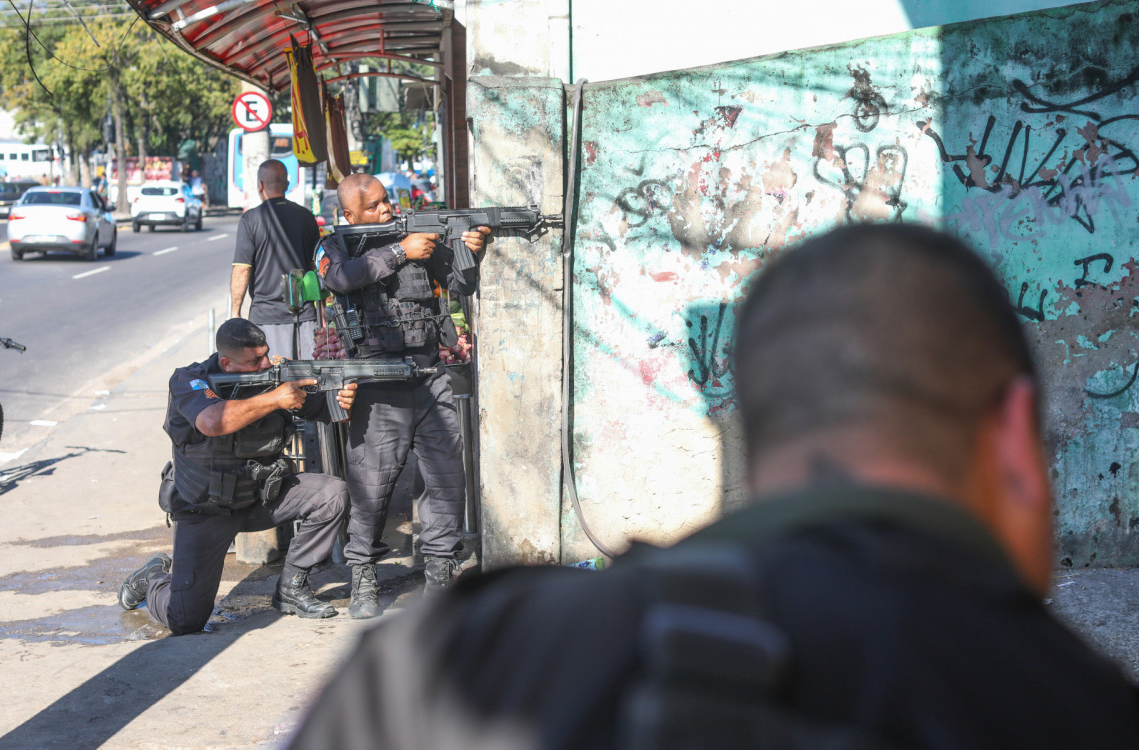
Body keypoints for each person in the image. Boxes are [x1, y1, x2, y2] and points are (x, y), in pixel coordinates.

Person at [288, 224, 1139, 748]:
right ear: (1017, 441)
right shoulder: (1085, 715)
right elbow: (336, 280)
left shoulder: (455, 664)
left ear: (755, 431)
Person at [314, 173, 491, 619]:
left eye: (386, 201)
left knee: (446, 480)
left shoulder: (417, 234)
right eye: (373, 207)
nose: (385, 210)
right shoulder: (335, 245)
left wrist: (471, 249)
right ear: (349, 214)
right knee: (371, 487)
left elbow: (459, 284)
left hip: (428, 376)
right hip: (376, 384)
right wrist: (398, 252)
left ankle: (438, 571)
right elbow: (338, 279)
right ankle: (363, 577)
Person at [118, 318, 357, 634]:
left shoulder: (274, 378)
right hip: (206, 510)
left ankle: (292, 588)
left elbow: (323, 409)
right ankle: (152, 577)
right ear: (227, 363)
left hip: (261, 498)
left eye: (266, 354)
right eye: (256, 360)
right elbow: (212, 422)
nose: (267, 363)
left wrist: (341, 401)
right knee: (185, 620)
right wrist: (274, 399)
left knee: (332, 494)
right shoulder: (189, 381)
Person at [231, 159, 321, 360]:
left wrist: (235, 312)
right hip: (304, 316)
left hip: (266, 318)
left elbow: (242, 269)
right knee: (309, 380)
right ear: (287, 185)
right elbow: (317, 267)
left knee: (272, 381)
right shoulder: (306, 216)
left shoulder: (251, 219)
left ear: (260, 185)